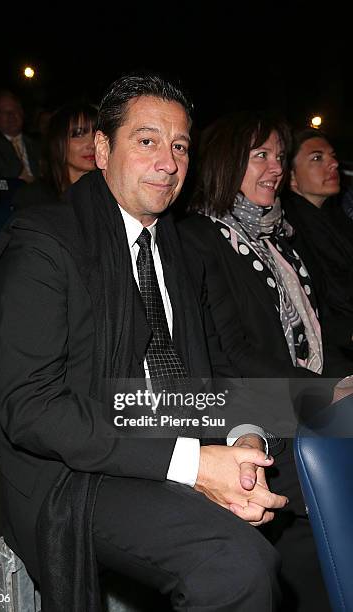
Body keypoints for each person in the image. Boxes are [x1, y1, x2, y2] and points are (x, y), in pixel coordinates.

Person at [0, 75, 287, 611]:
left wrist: (244, 438)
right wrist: (192, 464)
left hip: (176, 425)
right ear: (102, 149)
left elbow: (216, 368)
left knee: (321, 464)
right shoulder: (44, 246)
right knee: (236, 566)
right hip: (77, 471)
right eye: (147, 141)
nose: (168, 163)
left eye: (179, 147)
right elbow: (31, 410)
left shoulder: (183, 250)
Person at [179, 110, 333, 611]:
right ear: (226, 163)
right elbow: (236, 356)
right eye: (260, 155)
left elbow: (317, 334)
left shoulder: (279, 237)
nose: (275, 168)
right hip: (252, 408)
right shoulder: (201, 237)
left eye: (279, 157)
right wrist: (329, 390)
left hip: (291, 398)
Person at [282, 128, 353, 364]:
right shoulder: (288, 232)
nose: (333, 163)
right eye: (316, 158)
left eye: (332, 156)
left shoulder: (337, 219)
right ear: (291, 176)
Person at [12, 101, 97, 209]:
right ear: (57, 142)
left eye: (97, 135)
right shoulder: (33, 198)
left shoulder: (111, 193)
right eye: (78, 134)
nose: (92, 144)